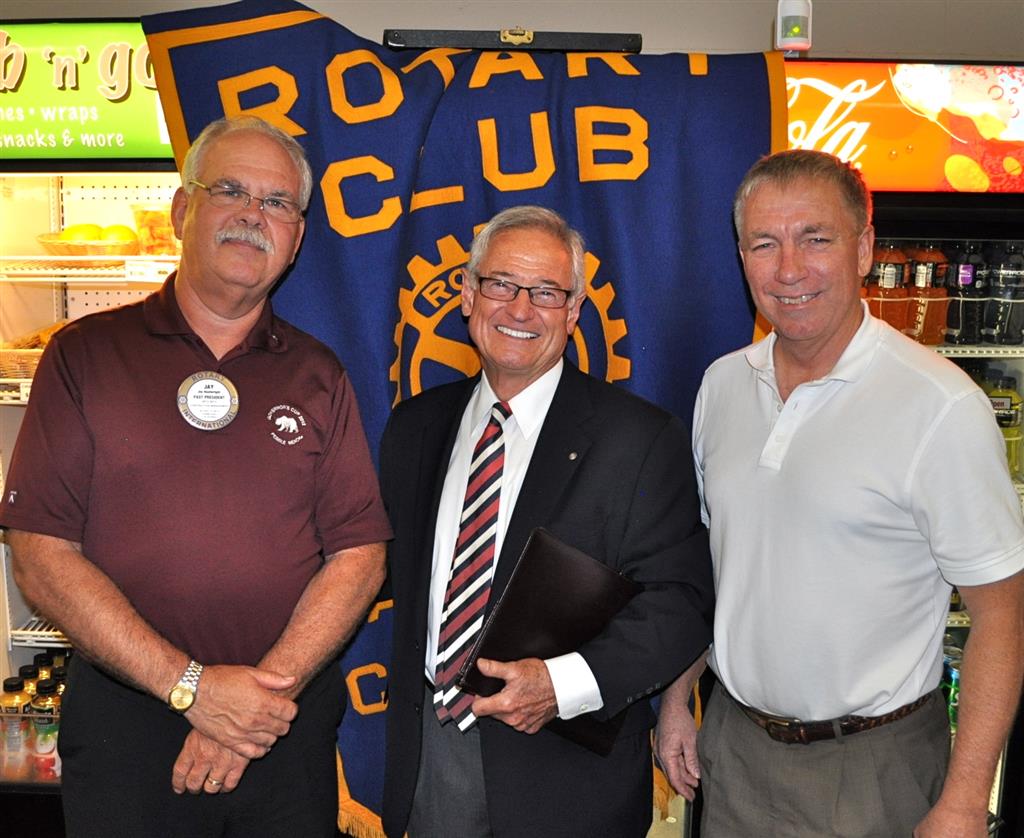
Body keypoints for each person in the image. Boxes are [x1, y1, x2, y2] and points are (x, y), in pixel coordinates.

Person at [0, 116, 392, 837]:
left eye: (278, 203)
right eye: (231, 191)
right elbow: (40, 556)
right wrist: (193, 690)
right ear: (184, 210)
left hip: (280, 731)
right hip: (129, 733)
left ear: (297, 238)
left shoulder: (318, 374)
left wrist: (249, 707)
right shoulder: (84, 356)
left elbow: (360, 556)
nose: (253, 215)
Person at [656, 149, 1024, 837]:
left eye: (815, 239)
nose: (789, 269)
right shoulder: (722, 386)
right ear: (742, 259)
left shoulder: (940, 407)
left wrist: (964, 801)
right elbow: (714, 569)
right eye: (764, 244)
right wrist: (677, 700)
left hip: (873, 768)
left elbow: (1003, 617)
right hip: (733, 750)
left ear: (863, 250)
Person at [379, 205, 714, 837]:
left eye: (546, 292)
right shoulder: (414, 428)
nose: (520, 309)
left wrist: (562, 685)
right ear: (468, 295)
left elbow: (683, 601)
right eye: (502, 284)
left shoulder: (639, 439)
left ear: (575, 310)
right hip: (431, 763)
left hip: (567, 782)